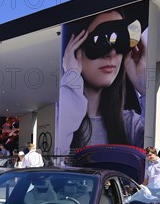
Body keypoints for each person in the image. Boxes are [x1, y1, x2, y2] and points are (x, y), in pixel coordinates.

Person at [57, 9, 146, 154]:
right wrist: (71, 79)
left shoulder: (130, 124)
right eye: (98, 41)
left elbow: (155, 156)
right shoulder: (58, 116)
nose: (111, 53)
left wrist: (144, 85)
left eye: (120, 40)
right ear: (73, 49)